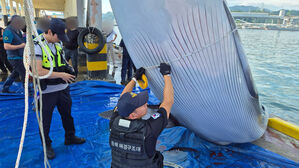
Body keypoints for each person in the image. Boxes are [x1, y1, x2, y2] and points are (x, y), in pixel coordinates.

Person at [32, 18, 85, 159]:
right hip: (47, 91)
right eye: (58, 36)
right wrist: (61, 74)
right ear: (49, 32)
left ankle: (70, 137)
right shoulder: (36, 45)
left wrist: (69, 68)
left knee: (67, 115)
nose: (60, 40)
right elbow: (37, 71)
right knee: (45, 120)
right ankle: (47, 145)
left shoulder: (59, 43)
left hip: (63, 88)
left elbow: (61, 59)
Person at [109, 63, 174, 168]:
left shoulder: (114, 121)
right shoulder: (149, 130)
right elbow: (168, 102)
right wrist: (167, 75)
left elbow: (122, 98)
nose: (146, 104)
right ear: (133, 115)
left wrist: (134, 79)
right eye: (142, 104)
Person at [2, 15, 26, 93]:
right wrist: (21, 46)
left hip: (19, 56)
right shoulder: (8, 31)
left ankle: (5, 88)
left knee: (15, 73)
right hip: (14, 57)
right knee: (24, 73)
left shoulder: (17, 30)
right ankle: (27, 91)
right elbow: (6, 46)